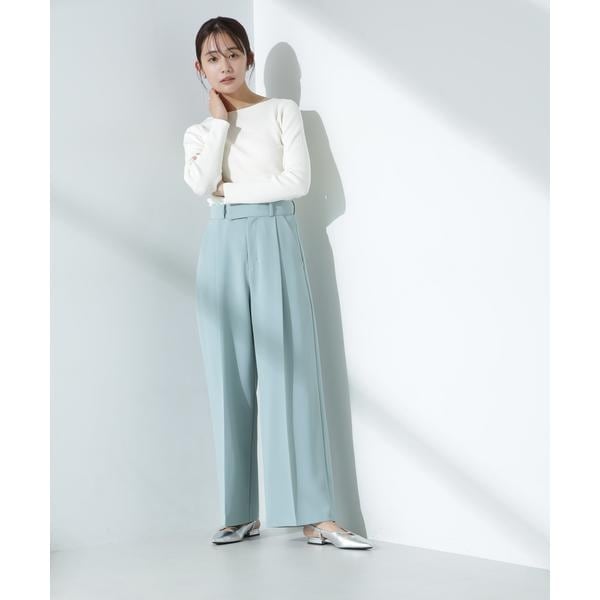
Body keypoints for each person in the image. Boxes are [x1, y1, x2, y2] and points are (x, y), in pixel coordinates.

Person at [183, 16, 373, 550]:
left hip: (275, 236)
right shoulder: (200, 132)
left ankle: (316, 515)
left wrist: (228, 189)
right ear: (199, 68)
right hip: (221, 246)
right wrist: (219, 127)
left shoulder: (282, 111)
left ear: (249, 57)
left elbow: (297, 182)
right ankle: (238, 514)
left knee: (291, 371)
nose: (225, 65)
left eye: (233, 53)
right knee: (228, 376)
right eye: (213, 57)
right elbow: (200, 186)